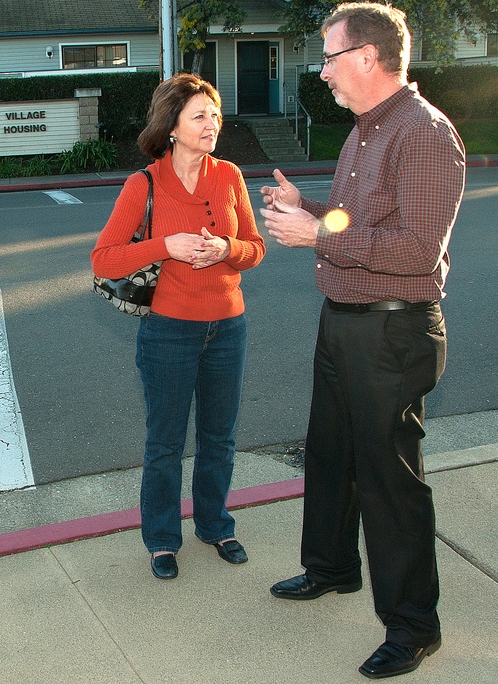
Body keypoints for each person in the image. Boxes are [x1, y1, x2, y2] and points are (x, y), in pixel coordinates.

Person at [259, 3, 466, 679]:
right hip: (345, 322)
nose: (320, 72)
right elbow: (361, 219)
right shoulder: (363, 133)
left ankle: (413, 628)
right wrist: (310, 210)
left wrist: (318, 234)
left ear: (368, 58)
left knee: (388, 481)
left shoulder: (424, 134)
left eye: (329, 56)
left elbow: (415, 251)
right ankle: (331, 569)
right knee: (329, 454)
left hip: (393, 328)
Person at [91, 73, 265, 581]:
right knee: (165, 442)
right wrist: (164, 246)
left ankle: (215, 525)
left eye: (214, 115)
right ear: (172, 125)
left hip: (227, 328)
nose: (212, 124)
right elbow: (104, 260)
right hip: (169, 331)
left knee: (220, 438)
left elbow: (254, 247)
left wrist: (226, 250)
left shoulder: (229, 175)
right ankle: (162, 540)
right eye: (199, 116)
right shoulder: (143, 184)